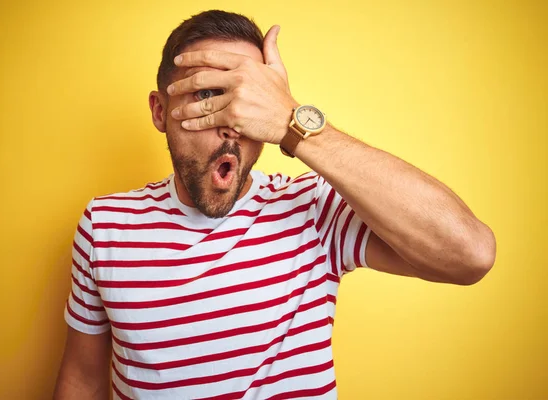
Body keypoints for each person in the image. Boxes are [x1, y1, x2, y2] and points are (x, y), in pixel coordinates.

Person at [53, 9, 496, 400]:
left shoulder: (312, 208)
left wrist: (293, 123)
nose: (231, 124)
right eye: (207, 95)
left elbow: (470, 253)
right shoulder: (106, 225)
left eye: (246, 99)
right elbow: (83, 380)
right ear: (159, 111)